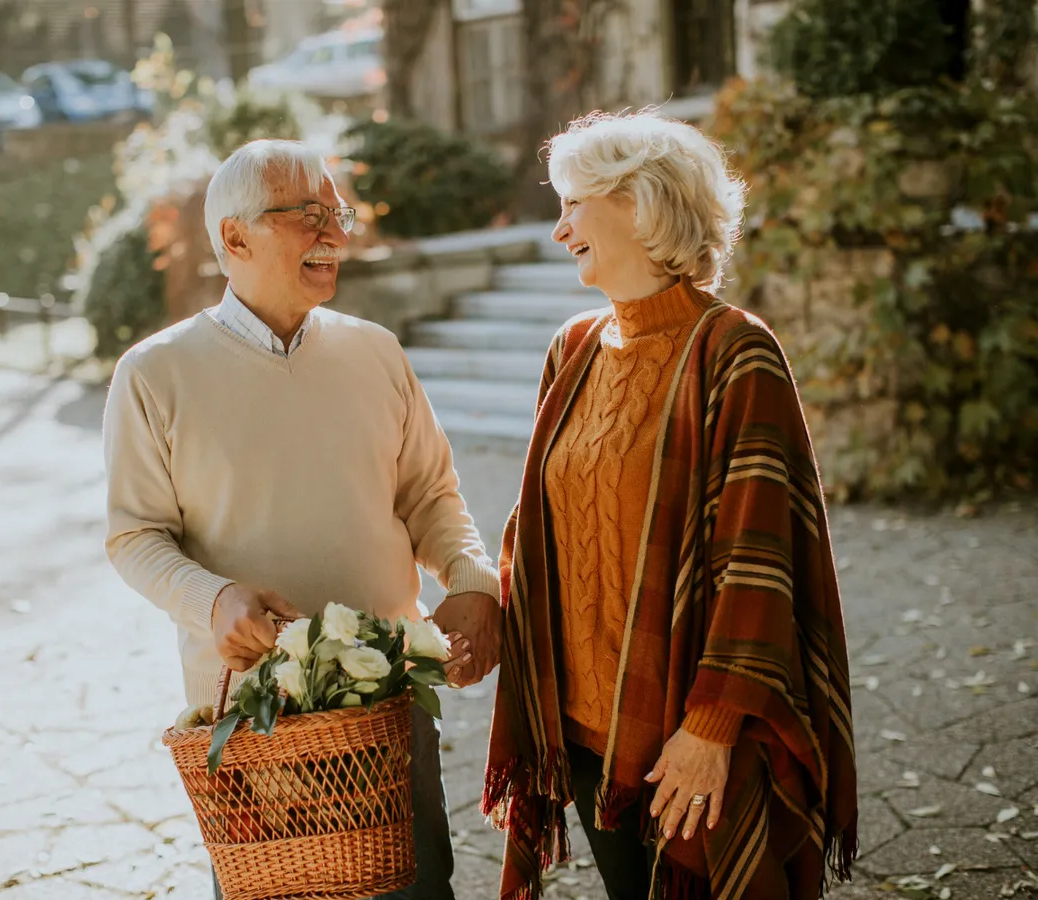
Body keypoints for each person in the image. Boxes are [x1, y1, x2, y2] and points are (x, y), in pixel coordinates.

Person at [102, 139, 503, 900]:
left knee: (416, 889)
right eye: (307, 215)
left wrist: (473, 578)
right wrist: (212, 600)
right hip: (256, 721)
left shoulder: (377, 352)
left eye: (338, 213)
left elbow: (432, 496)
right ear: (235, 238)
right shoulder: (153, 374)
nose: (336, 234)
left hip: (388, 706)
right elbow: (134, 536)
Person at [481, 110, 859, 900]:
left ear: (639, 202)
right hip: (583, 730)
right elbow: (539, 533)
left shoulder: (733, 351)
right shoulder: (573, 348)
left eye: (572, 205)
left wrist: (712, 728)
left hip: (687, 733)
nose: (560, 231)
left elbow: (760, 562)